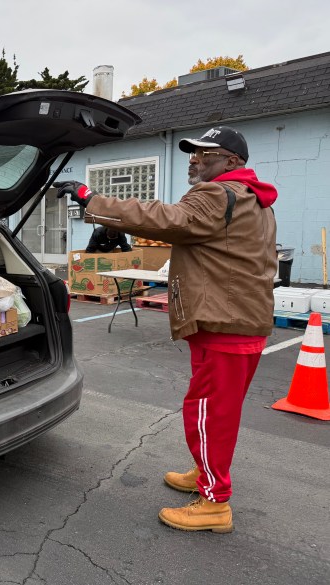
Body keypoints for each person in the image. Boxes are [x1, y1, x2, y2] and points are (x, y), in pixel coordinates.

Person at [57, 126, 278, 534]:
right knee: (211, 408)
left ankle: (214, 501)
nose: (194, 159)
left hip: (225, 321)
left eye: (204, 153)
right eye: (192, 153)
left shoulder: (217, 194)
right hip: (235, 317)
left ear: (231, 162)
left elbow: (166, 219)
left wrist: (93, 200)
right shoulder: (252, 198)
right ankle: (206, 472)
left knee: (211, 412)